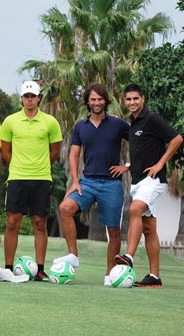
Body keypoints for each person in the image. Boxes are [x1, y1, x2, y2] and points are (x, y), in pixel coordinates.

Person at [53, 84, 130, 286]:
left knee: (113, 231)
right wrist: (75, 181)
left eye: (100, 99)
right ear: (87, 102)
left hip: (112, 184)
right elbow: (74, 154)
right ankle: (73, 255)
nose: (96, 103)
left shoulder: (118, 124)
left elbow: (140, 145)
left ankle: (109, 274)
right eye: (93, 99)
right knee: (65, 208)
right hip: (87, 182)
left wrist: (127, 166)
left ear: (106, 101)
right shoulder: (81, 126)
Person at [115, 84, 183, 288]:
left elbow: (177, 139)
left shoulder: (151, 119)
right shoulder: (133, 124)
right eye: (128, 99)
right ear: (125, 101)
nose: (132, 102)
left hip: (153, 180)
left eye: (136, 99)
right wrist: (128, 166)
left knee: (134, 209)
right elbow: (142, 150)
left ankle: (128, 256)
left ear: (143, 99)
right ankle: (155, 277)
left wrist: (161, 163)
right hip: (138, 181)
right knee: (149, 229)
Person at [0, 80, 62, 281]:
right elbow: (5, 150)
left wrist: (39, 165)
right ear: (21, 99)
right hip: (17, 177)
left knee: (40, 223)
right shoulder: (10, 121)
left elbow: (55, 151)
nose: (29, 99)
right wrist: (19, 165)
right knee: (12, 222)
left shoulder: (50, 122)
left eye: (33, 96)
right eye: (26, 96)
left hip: (42, 178)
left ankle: (40, 268)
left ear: (39, 98)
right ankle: (8, 267)